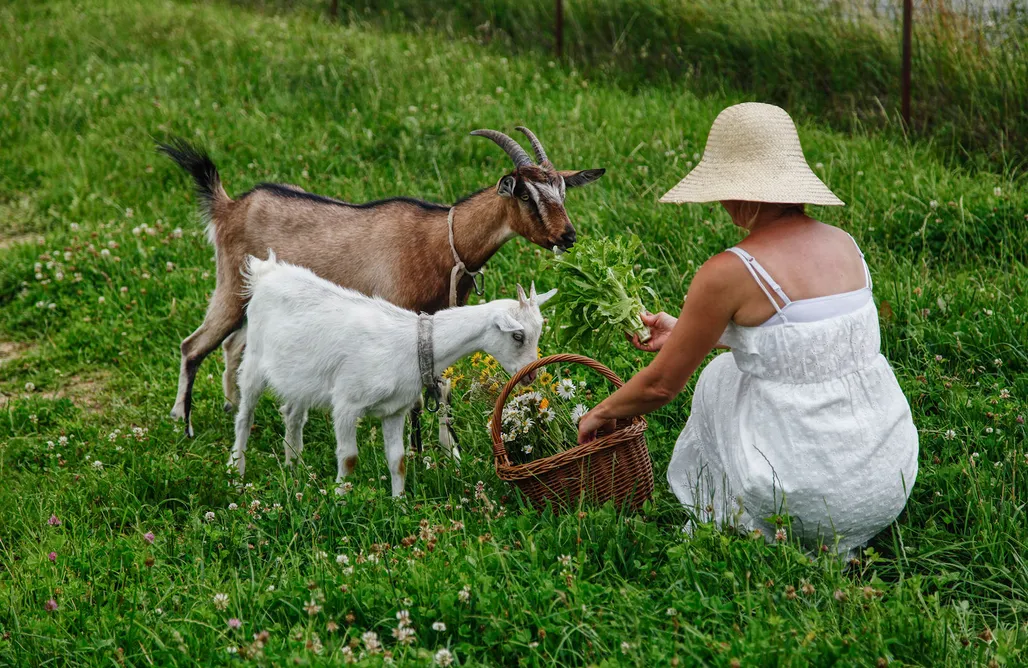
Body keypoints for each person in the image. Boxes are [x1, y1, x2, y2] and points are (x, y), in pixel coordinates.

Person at [576, 102, 918, 556]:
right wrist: (688, 332)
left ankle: (735, 520)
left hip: (803, 502)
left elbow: (660, 386)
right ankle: (846, 537)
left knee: (720, 377)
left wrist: (600, 413)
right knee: (737, 366)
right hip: (887, 482)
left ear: (746, 193)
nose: (720, 202)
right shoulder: (845, 244)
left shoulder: (730, 271)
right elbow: (802, 340)